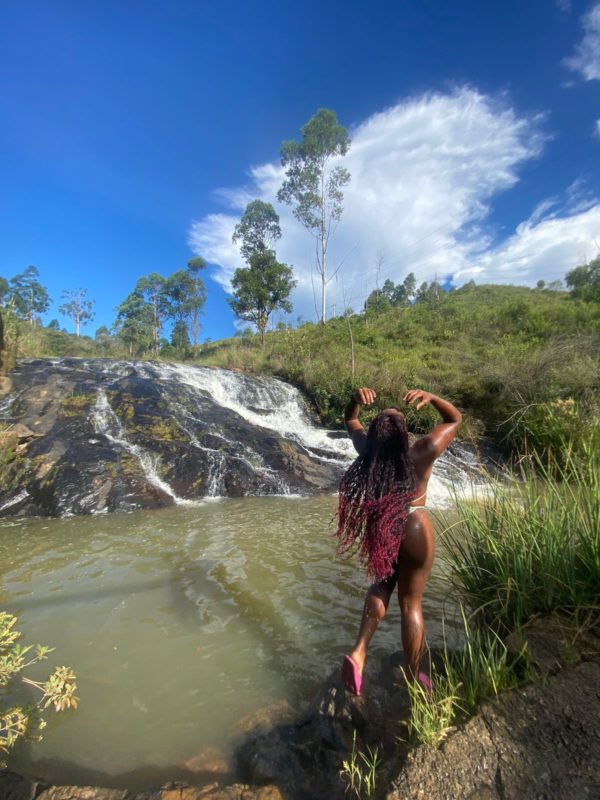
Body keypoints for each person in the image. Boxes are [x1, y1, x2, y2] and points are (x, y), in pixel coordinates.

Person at [336, 387, 462, 696]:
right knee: (411, 603)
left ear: (377, 432)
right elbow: (455, 419)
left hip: (385, 526)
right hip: (415, 525)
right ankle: (415, 672)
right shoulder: (422, 450)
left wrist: (355, 399)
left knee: (381, 585)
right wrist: (432, 398)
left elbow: (350, 420)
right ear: (403, 432)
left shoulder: (368, 451)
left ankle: (359, 653)